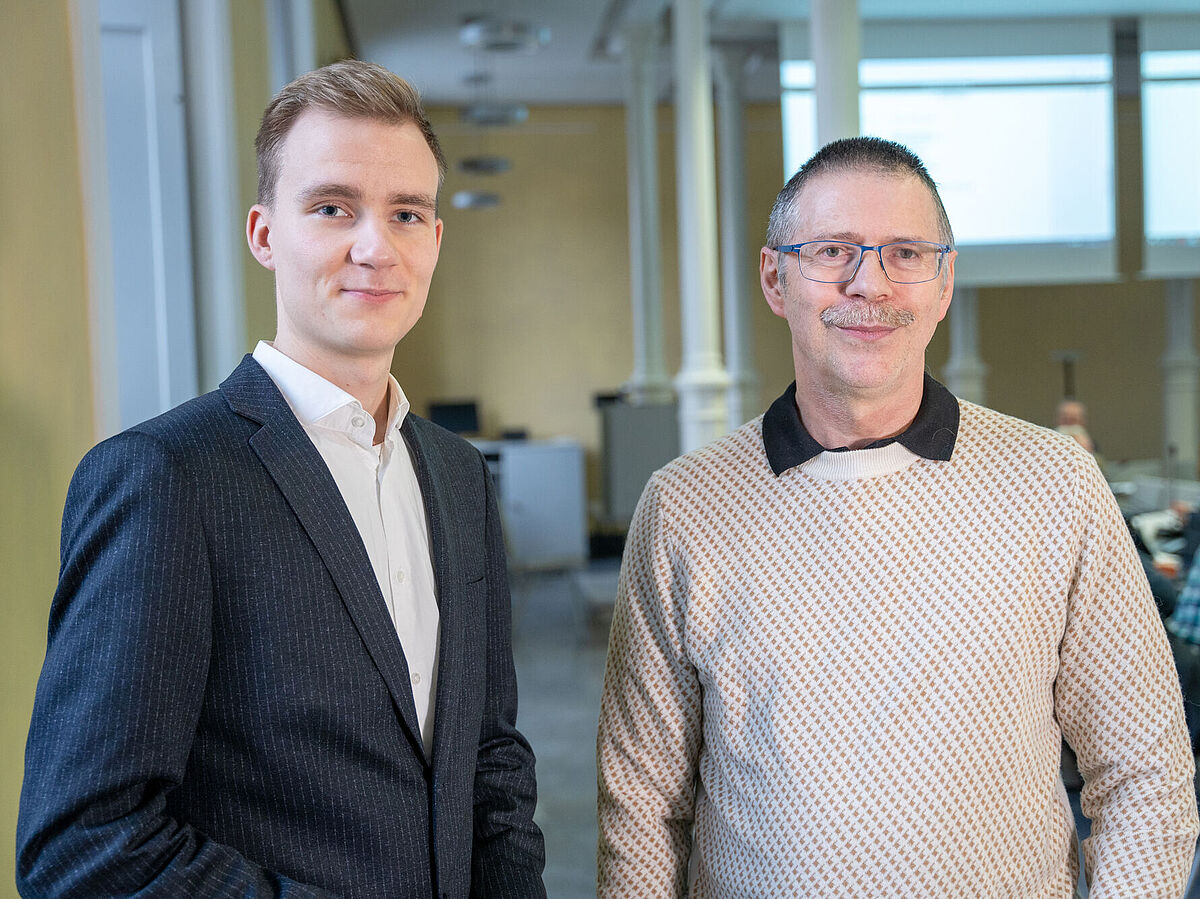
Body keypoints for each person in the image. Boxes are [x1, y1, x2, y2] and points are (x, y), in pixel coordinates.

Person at [596, 136, 1197, 896]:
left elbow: (1145, 772)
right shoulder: (684, 505)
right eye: (831, 250)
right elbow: (641, 809)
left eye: (906, 253)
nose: (868, 283)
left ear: (943, 284)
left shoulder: (1056, 484)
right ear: (775, 277)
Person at [18, 60, 545, 898]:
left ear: (434, 242)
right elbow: (84, 844)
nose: (375, 246)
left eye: (406, 213)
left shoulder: (457, 475)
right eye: (333, 207)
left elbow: (491, 757)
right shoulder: (164, 478)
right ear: (265, 234)